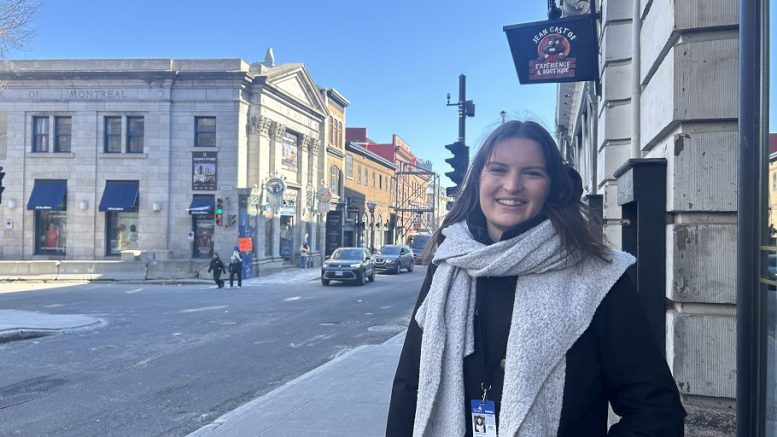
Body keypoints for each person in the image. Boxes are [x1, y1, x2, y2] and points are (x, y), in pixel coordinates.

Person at [386, 121, 686, 436]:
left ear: (553, 188)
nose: (512, 185)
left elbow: (655, 412)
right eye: (498, 169)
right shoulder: (447, 266)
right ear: (477, 181)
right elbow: (410, 385)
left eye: (532, 173)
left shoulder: (597, 277)